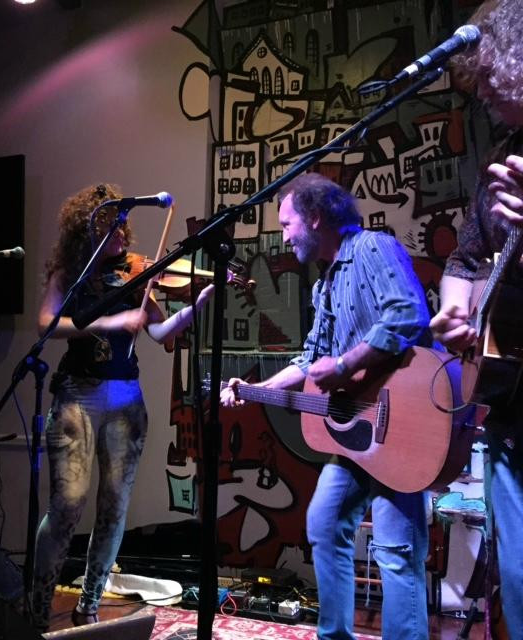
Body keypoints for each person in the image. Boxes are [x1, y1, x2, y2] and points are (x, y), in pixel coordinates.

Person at [221, 173, 431, 639]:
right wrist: (255, 388)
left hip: (404, 429)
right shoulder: (324, 286)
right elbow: (311, 360)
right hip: (358, 438)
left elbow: (408, 315)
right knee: (325, 524)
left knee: (396, 552)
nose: (284, 236)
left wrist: (345, 364)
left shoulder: (372, 248)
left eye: (287, 224)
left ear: (315, 217)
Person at [31, 183, 213, 631]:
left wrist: (196, 306)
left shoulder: (136, 274)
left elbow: (161, 333)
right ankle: (37, 604)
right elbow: (47, 323)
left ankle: (90, 603)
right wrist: (113, 320)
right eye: (109, 226)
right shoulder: (70, 272)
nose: (119, 234)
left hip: (125, 398)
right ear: (87, 230)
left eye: (122, 227)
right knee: (68, 503)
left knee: (114, 507)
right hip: (77, 394)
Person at [430, 1, 523, 637]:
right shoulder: (505, 152)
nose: (481, 91)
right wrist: (455, 306)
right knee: (515, 581)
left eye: (490, 75)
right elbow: (465, 258)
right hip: (511, 407)